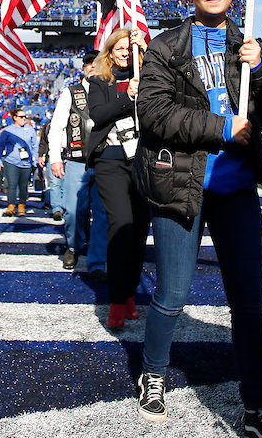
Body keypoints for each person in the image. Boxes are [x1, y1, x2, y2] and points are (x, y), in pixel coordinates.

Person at [133, 0, 262, 435]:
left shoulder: (247, 43)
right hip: (181, 184)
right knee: (172, 294)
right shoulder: (165, 47)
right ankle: (153, 373)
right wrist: (221, 128)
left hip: (236, 188)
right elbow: (153, 115)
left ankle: (256, 400)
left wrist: (261, 70)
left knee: (247, 300)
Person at [86, 27, 149, 329]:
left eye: (130, 48)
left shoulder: (148, 75)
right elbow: (98, 115)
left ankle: (129, 294)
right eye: (119, 48)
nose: (125, 52)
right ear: (109, 52)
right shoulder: (99, 80)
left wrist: (146, 50)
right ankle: (115, 300)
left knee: (139, 229)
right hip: (110, 159)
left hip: (143, 160)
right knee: (121, 224)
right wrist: (129, 97)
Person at [47, 49, 108, 275]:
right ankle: (73, 246)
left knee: (102, 214)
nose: (92, 66)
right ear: (84, 67)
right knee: (73, 211)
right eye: (89, 63)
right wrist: (55, 158)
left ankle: (97, 262)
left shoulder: (110, 91)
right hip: (76, 161)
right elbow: (56, 127)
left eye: (96, 62)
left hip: (105, 161)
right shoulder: (70, 92)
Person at [0, 108, 38, 216]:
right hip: (11, 162)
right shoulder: (7, 130)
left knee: (24, 186)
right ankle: (11, 206)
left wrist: (36, 160)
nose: (24, 119)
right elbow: (1, 146)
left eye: (25, 116)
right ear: (14, 118)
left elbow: (34, 146)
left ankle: (22, 206)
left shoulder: (30, 130)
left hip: (26, 162)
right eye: (21, 117)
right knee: (12, 185)